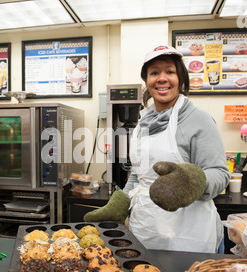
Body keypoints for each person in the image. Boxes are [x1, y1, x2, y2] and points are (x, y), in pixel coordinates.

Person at [85, 45, 230, 253]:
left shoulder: (199, 120)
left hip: (189, 235)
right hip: (147, 230)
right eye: (154, 73)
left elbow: (220, 173)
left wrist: (193, 182)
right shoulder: (144, 122)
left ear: (180, 78)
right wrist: (121, 203)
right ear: (147, 82)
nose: (162, 78)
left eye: (170, 72)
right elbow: (138, 175)